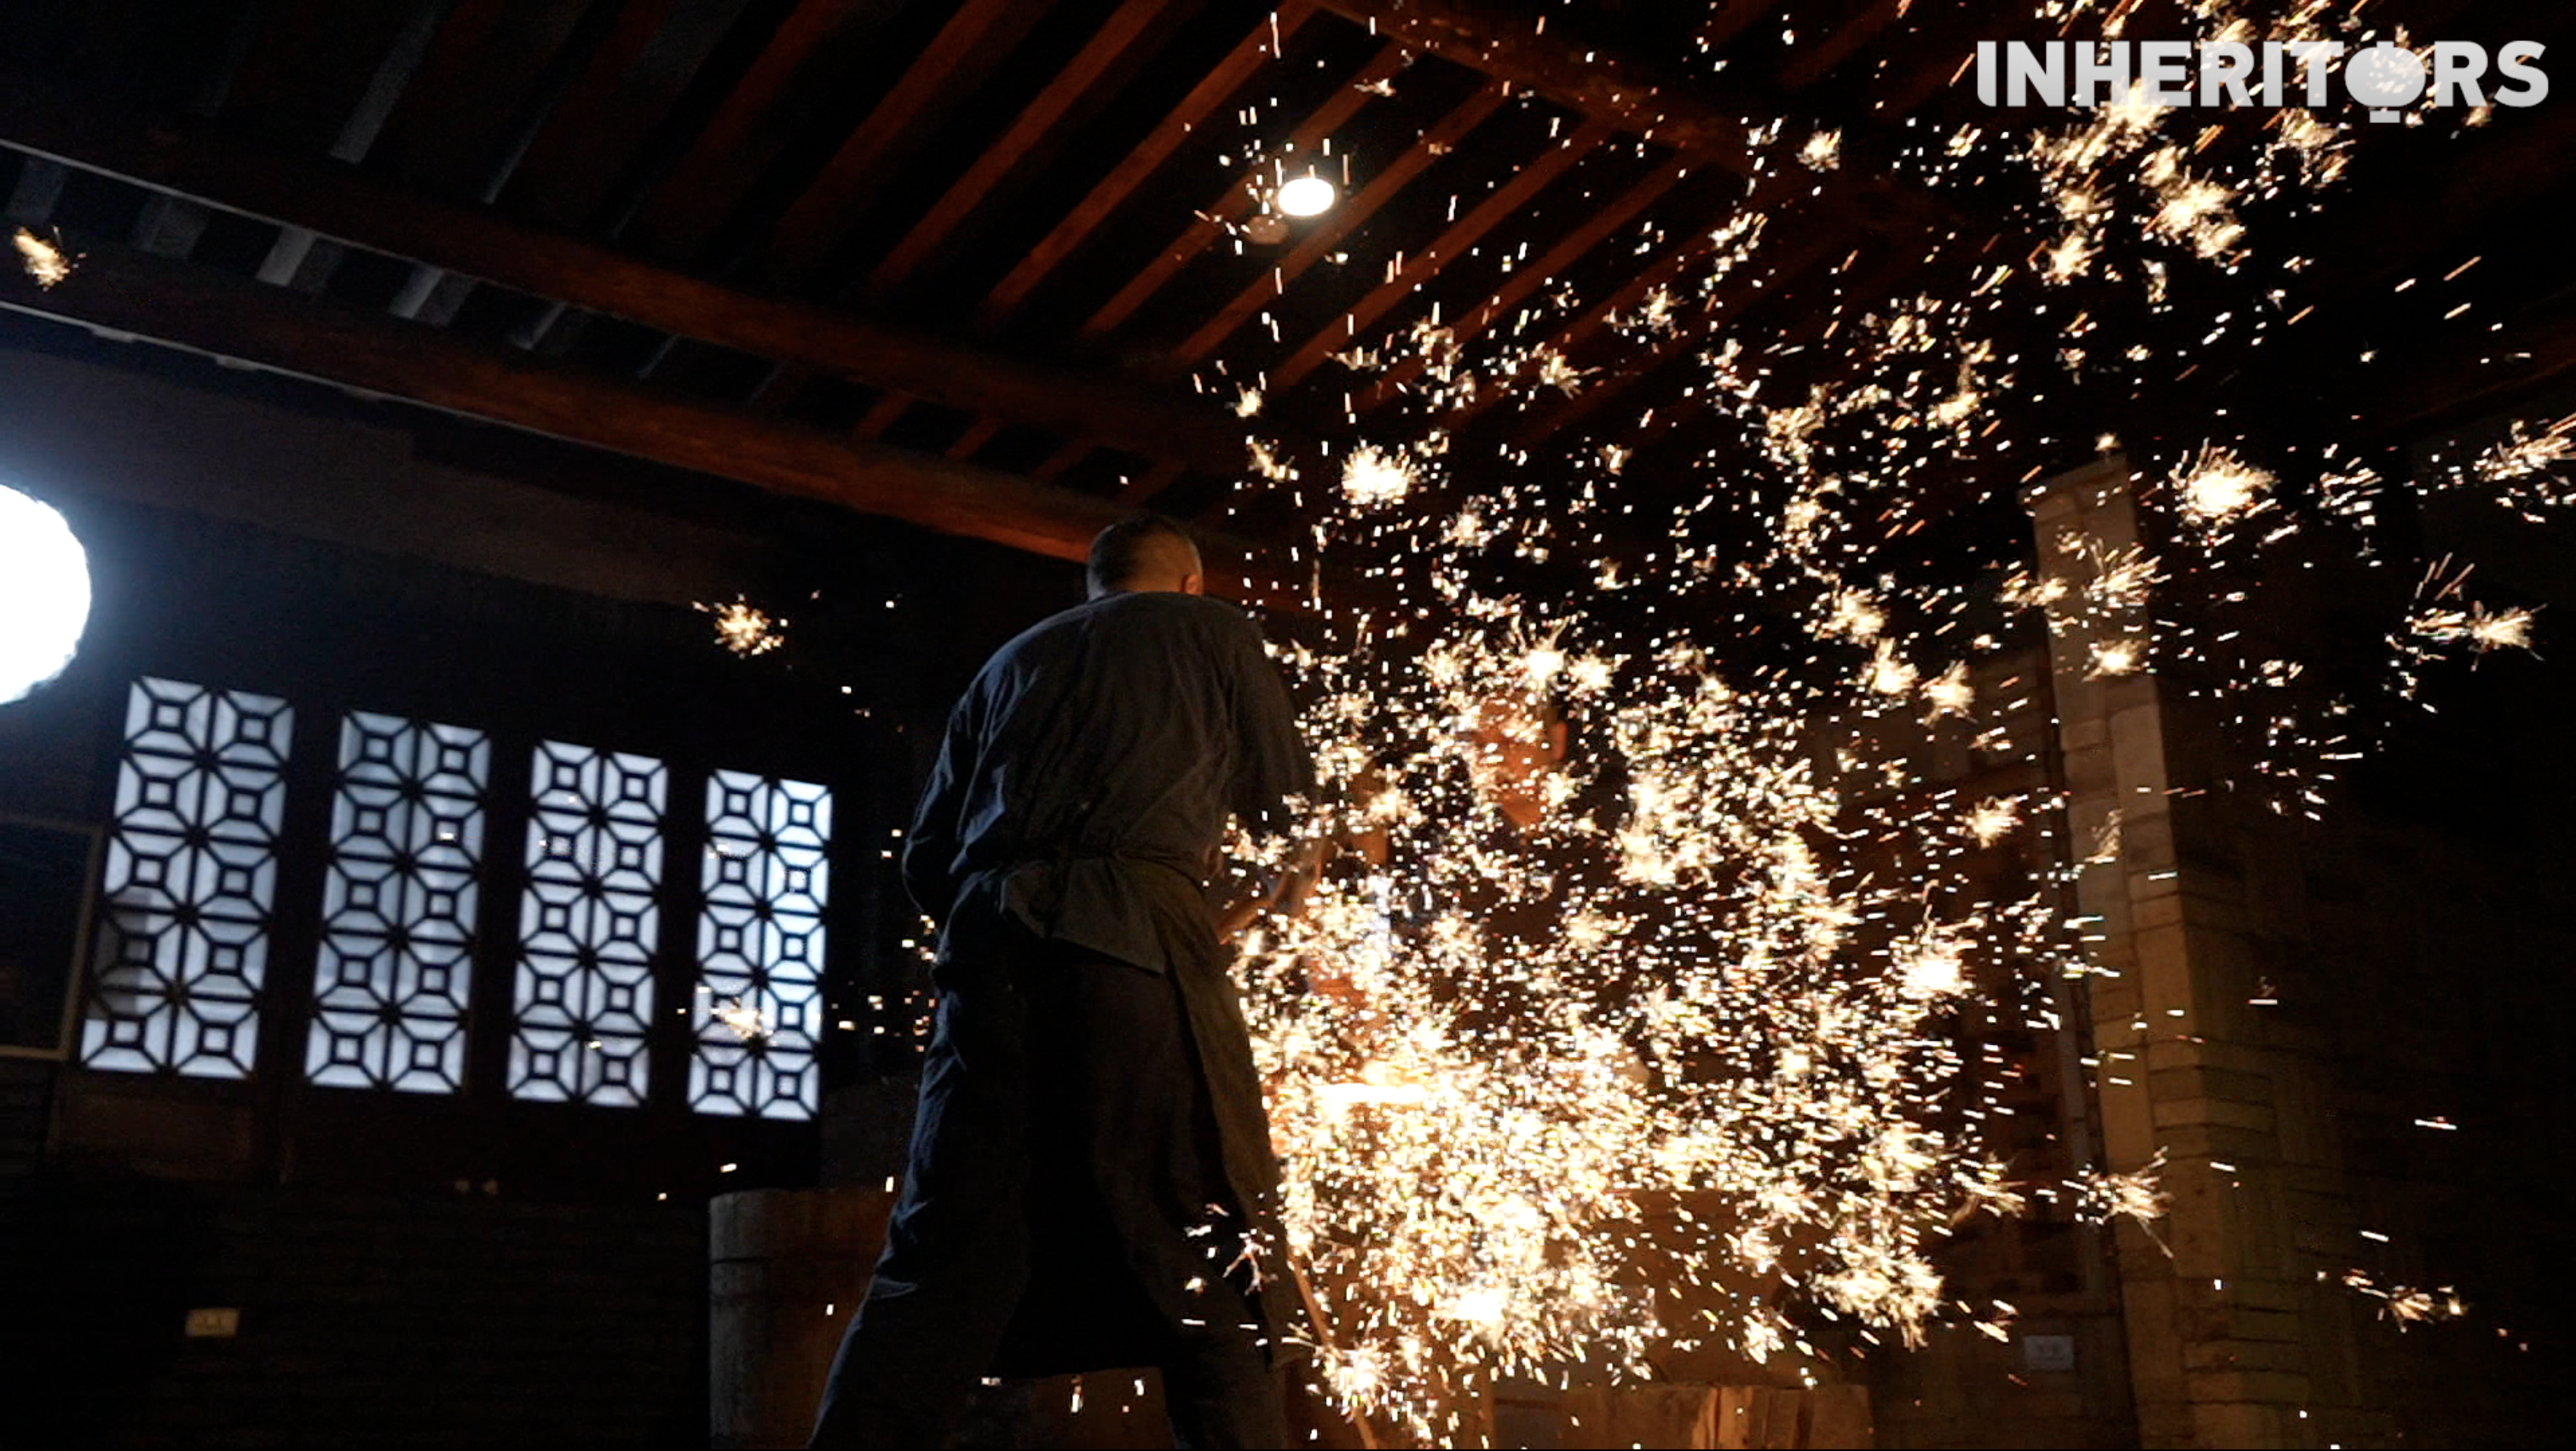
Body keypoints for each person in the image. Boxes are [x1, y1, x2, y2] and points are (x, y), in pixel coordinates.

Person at [810, 515, 1314, 1450]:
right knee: (1209, 1249)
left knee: (934, 1266)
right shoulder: (1216, 632)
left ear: (1094, 585)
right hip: (1138, 949)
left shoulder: (1006, 665)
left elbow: (927, 859)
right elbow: (1292, 824)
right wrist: (1226, 915)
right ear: (1189, 582)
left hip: (987, 965)